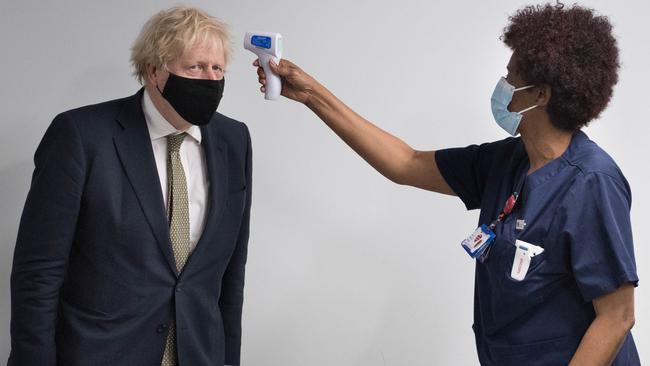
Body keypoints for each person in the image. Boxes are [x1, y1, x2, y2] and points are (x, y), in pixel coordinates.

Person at [253, 2, 638, 365]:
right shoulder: (506, 162)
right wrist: (311, 95)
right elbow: (406, 163)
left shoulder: (592, 183)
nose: (502, 85)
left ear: (541, 94)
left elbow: (617, 316)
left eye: (511, 78)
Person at [9, 6, 251, 366]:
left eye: (217, 68)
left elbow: (231, 275)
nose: (210, 79)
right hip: (99, 353)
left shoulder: (234, 140)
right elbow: (38, 273)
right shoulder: (81, 136)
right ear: (155, 71)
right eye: (195, 66)